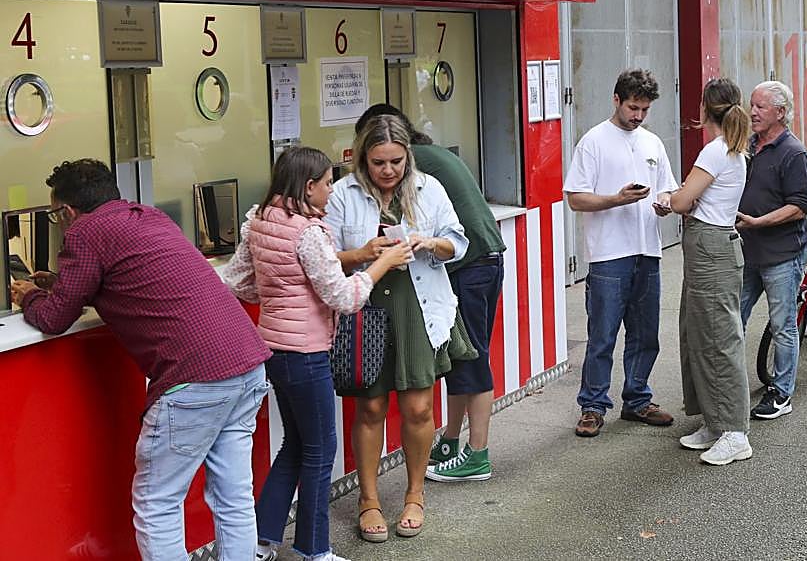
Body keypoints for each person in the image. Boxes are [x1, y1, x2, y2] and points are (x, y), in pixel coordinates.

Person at [9, 159, 271, 559]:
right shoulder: (149, 217)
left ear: (67, 212)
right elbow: (130, 275)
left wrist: (27, 294)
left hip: (194, 381)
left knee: (158, 504)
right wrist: (59, 283)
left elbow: (52, 318)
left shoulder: (85, 233)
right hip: (246, 362)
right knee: (233, 496)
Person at [221, 147, 412, 561]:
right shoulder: (308, 232)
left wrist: (282, 293)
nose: (331, 191)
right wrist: (383, 264)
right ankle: (313, 549)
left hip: (272, 346)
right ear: (308, 187)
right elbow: (344, 296)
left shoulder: (260, 220)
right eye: (327, 183)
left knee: (295, 443)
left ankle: (261, 539)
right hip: (307, 352)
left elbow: (239, 281)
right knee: (320, 450)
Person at [327, 116, 477, 541]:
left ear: (407, 156)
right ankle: (368, 499)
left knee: (418, 408)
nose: (388, 170)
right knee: (370, 407)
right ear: (362, 159)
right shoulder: (342, 193)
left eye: (395, 161)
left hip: (418, 302)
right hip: (366, 304)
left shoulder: (429, 187)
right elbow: (324, 256)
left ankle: (414, 494)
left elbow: (459, 240)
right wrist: (363, 251)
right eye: (378, 162)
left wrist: (431, 244)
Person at [352, 104, 509, 482]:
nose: (386, 169)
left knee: (470, 357)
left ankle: (478, 454)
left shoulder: (413, 167)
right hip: (487, 257)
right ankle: (451, 443)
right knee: (460, 356)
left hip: (467, 263)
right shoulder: (432, 154)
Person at [564, 69, 679, 438]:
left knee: (646, 333)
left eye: (645, 109)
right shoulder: (593, 142)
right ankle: (593, 405)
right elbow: (575, 198)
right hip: (608, 254)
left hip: (647, 248)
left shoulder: (652, 143)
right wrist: (616, 199)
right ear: (616, 100)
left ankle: (637, 398)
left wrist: (664, 203)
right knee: (603, 334)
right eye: (633, 107)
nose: (639, 116)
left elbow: (668, 190)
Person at [670, 78, 752, 465]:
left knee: (718, 339)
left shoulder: (716, 151)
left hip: (711, 248)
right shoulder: (732, 151)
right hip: (712, 246)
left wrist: (668, 199)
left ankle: (735, 431)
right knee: (698, 333)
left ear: (706, 109)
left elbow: (684, 200)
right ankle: (716, 422)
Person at [737, 81, 807, 420]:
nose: (752, 112)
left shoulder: (793, 152)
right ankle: (726, 385)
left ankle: (781, 394)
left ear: (780, 113)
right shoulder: (748, 146)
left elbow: (799, 205)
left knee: (783, 325)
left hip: (782, 254)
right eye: (751, 105)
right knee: (731, 317)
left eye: (760, 107)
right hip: (749, 252)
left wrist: (759, 222)